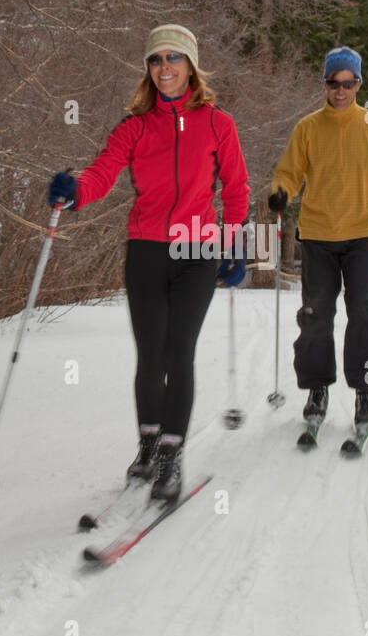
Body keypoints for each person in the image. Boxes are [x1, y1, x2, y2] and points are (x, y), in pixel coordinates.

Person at [49, 24, 249, 501]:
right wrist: (75, 193)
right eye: (156, 60)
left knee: (179, 351)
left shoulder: (219, 123)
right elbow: (101, 173)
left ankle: (171, 455)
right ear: (148, 69)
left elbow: (237, 190)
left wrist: (235, 245)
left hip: (196, 248)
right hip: (146, 248)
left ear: (191, 67)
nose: (164, 68)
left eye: (173, 59)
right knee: (150, 354)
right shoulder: (135, 126)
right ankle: (147, 442)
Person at [268, 46, 368, 431]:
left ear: (359, 84)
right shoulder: (308, 128)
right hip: (318, 235)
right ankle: (317, 389)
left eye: (348, 83)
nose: (341, 90)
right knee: (316, 316)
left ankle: (365, 391)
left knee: (365, 314)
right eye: (334, 83)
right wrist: (282, 191)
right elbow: (289, 172)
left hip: (364, 233)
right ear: (326, 84)